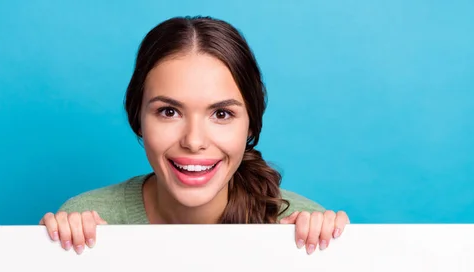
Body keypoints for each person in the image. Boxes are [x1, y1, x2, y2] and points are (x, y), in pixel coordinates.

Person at [40, 16, 349, 255]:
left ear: (251, 125)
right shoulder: (87, 222)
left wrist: (332, 253)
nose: (194, 140)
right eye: (169, 112)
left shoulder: (301, 227)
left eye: (222, 114)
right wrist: (53, 254)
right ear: (138, 118)